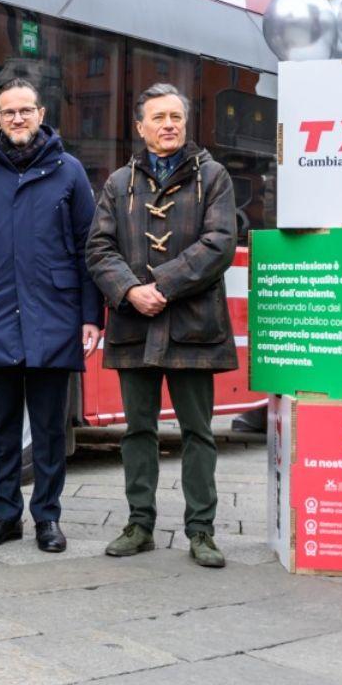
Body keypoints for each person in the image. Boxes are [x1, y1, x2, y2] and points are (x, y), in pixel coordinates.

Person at [0, 78, 103, 553]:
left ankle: (47, 518)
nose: (17, 118)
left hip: (55, 314)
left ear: (41, 114)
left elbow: (89, 248)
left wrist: (91, 315)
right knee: (2, 426)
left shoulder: (69, 171)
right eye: (8, 112)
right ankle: (5, 515)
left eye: (25, 110)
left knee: (50, 428)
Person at [86, 83, 237, 569]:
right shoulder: (118, 183)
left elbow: (220, 243)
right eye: (158, 117)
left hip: (194, 326)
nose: (169, 125)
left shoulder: (213, 176)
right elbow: (98, 249)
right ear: (140, 127)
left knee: (198, 432)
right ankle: (139, 525)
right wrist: (132, 291)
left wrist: (163, 285)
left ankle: (201, 530)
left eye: (176, 117)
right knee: (137, 431)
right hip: (134, 324)